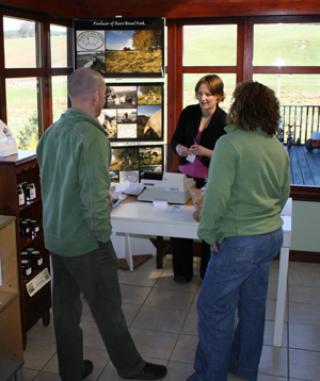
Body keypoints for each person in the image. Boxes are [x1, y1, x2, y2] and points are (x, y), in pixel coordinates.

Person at [37, 68, 167, 381]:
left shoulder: (50, 133)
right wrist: (101, 238)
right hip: (85, 241)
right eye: (104, 93)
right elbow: (94, 198)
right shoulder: (92, 137)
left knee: (66, 313)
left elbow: (52, 186)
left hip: (56, 238)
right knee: (108, 309)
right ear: (96, 96)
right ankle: (132, 369)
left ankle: (71, 371)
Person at [187, 81, 290, 381]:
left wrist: (208, 234)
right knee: (252, 307)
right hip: (269, 237)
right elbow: (282, 195)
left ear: (239, 108)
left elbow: (216, 197)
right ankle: (244, 369)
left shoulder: (230, 144)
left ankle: (210, 376)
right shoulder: (277, 148)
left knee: (213, 309)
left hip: (240, 241)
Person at [171, 74, 227, 282]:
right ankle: (182, 273)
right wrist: (179, 148)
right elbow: (175, 139)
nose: (203, 98)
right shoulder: (188, 112)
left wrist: (206, 152)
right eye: (200, 93)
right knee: (178, 223)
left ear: (219, 96)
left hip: (209, 182)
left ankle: (207, 273)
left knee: (208, 224)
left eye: (208, 94)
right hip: (185, 178)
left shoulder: (225, 121)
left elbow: (227, 156)